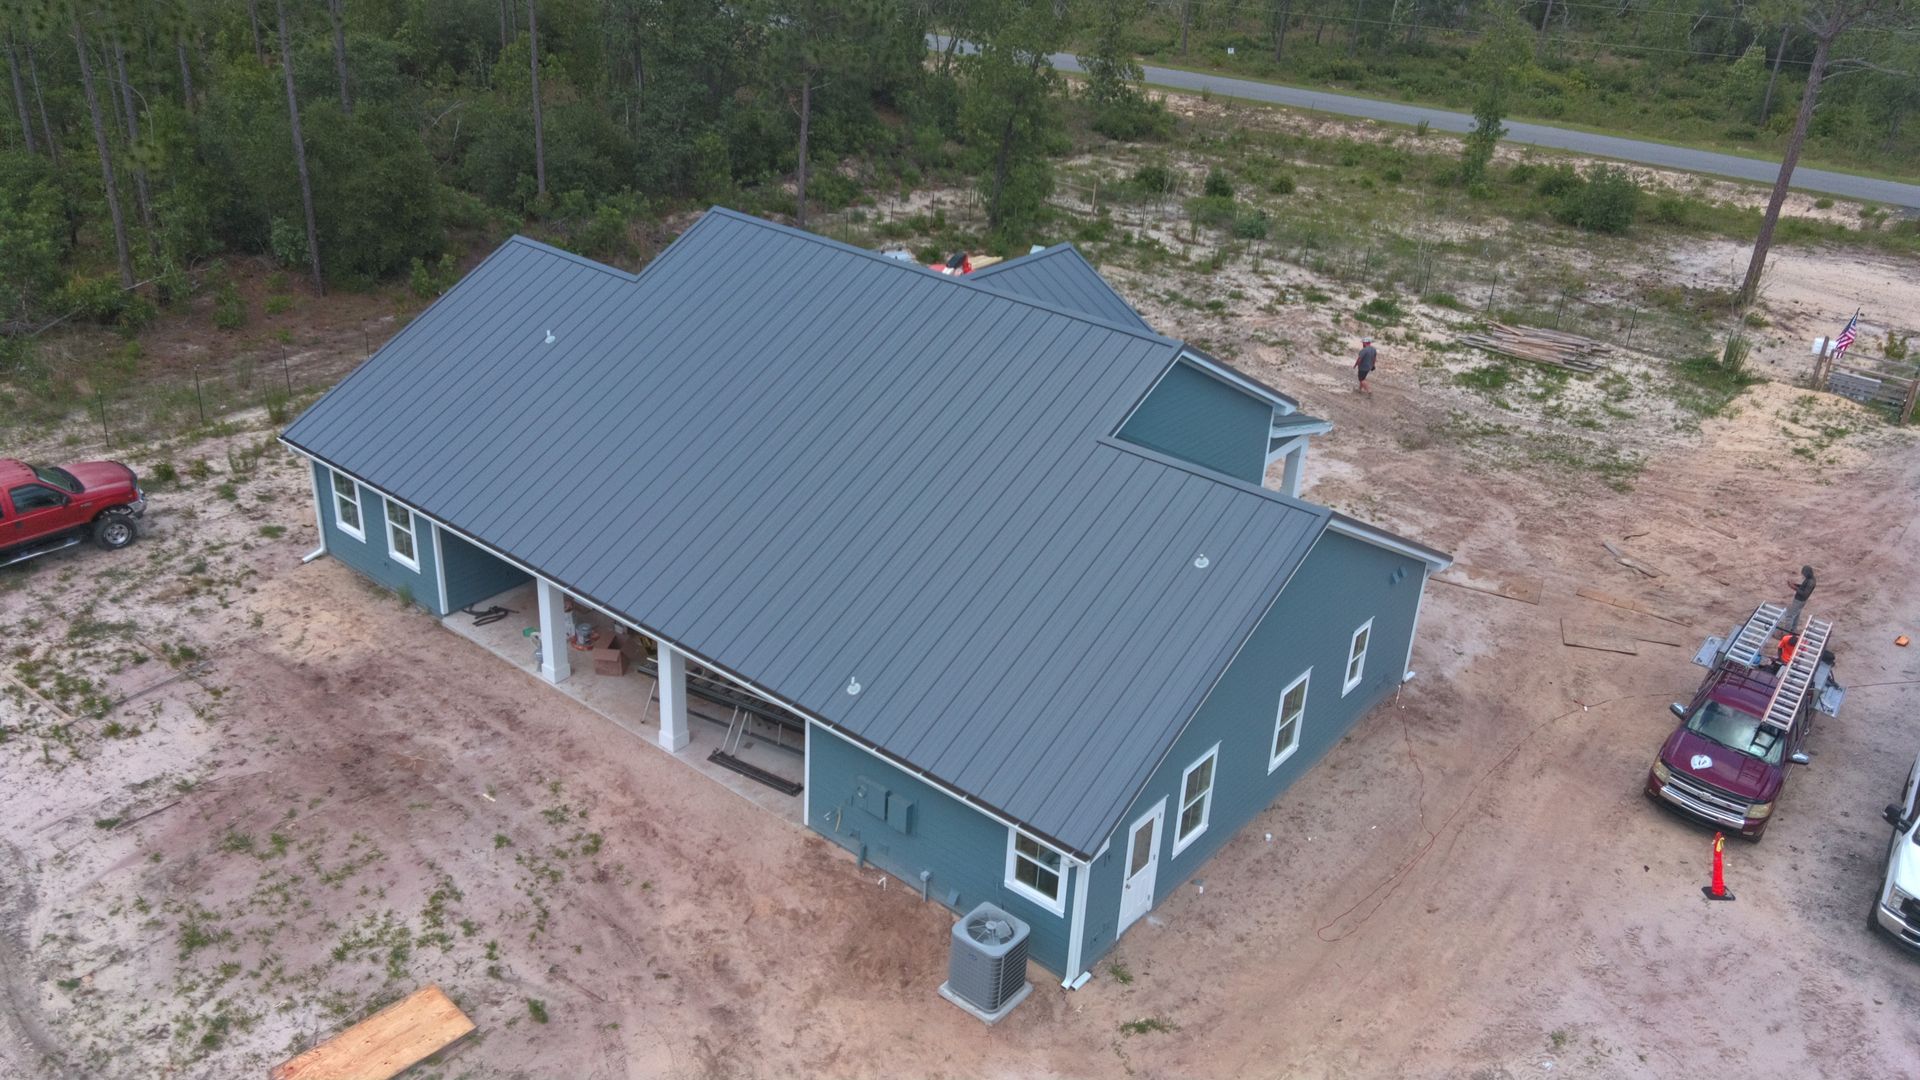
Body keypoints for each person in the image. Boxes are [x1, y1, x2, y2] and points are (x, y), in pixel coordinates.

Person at [1783, 565, 1815, 632]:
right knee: (1796, 616)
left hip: (1799, 601)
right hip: (1801, 601)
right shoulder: (1810, 579)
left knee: (1789, 616)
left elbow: (1804, 594)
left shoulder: (1811, 582)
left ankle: (1785, 634)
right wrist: (1795, 585)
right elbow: (1803, 587)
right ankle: (1793, 631)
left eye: (1804, 573)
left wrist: (1794, 587)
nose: (1803, 575)